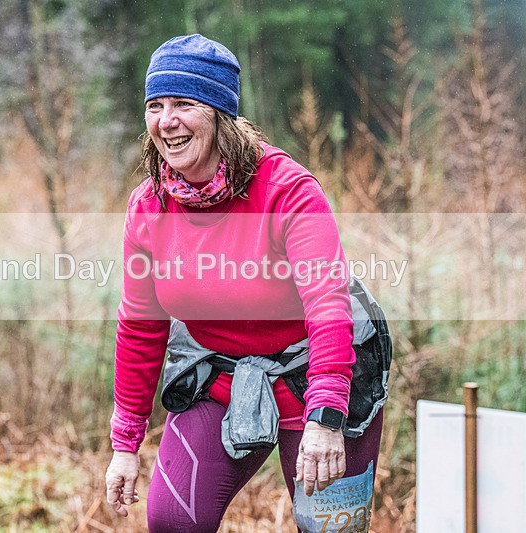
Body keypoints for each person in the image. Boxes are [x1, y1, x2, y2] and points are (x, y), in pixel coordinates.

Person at [105, 34, 383, 532]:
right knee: (173, 521)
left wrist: (326, 418)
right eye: (154, 106)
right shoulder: (148, 206)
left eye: (184, 103)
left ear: (219, 113)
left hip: (319, 371)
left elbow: (327, 304)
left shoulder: (289, 190)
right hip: (220, 374)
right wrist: (126, 444)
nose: (166, 120)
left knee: (329, 530)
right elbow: (140, 326)